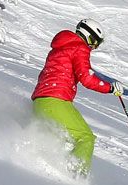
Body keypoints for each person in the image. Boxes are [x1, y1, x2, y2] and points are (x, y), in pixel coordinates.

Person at [32, 19, 122, 175]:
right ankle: (75, 175)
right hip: (57, 101)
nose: (94, 47)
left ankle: (49, 172)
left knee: (61, 140)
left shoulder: (58, 48)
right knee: (85, 137)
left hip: (40, 102)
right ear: (88, 36)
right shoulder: (79, 48)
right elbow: (86, 78)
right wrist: (110, 88)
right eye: (95, 42)